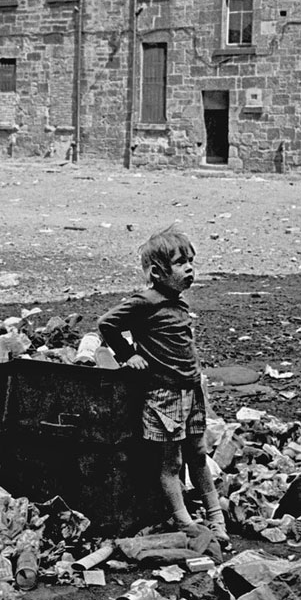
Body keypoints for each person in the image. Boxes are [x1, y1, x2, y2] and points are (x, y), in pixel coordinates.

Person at [98, 226, 230, 550]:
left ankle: (215, 517)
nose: (189, 269)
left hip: (190, 391)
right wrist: (129, 355)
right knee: (170, 463)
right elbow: (106, 325)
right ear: (157, 272)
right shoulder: (145, 301)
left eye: (191, 261)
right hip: (164, 395)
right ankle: (184, 521)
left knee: (198, 453)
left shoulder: (177, 301)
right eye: (181, 262)